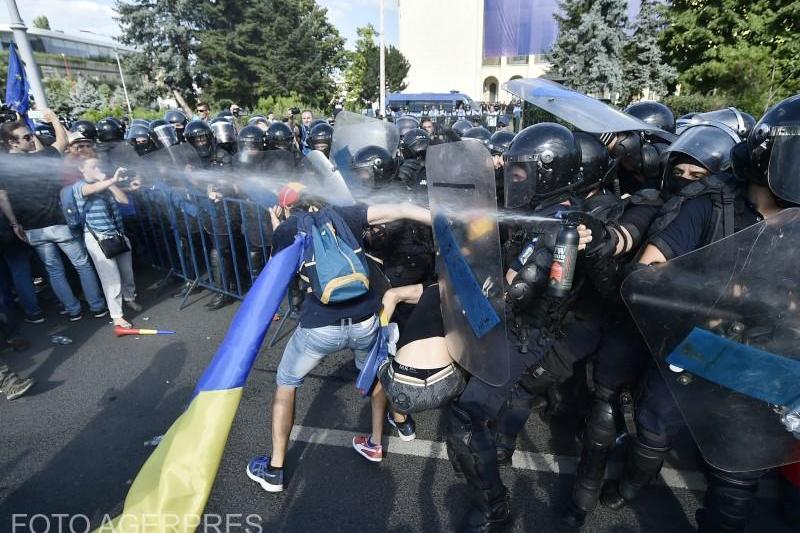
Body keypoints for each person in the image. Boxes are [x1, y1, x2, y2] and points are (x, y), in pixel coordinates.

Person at [594, 95, 800, 533]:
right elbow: (648, 270)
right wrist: (718, 293)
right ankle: (631, 484)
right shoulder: (710, 203)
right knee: (653, 425)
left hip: (762, 355)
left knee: (738, 471)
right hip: (700, 341)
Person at [246, 184, 432, 492]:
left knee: (286, 384)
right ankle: (402, 423)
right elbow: (400, 209)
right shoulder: (346, 215)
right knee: (376, 372)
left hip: (320, 327)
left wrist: (278, 226)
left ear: (288, 208)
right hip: (364, 321)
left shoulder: (290, 229)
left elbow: (276, 272)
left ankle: (275, 470)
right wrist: (444, 219)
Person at [0, 121, 107, 321]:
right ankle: (97, 306)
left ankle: (73, 310)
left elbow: (3, 197)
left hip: (33, 228)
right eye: (26, 137)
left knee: (54, 271)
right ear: (11, 142)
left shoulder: (4, 167)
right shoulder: (41, 158)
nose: (32, 139)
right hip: (58, 224)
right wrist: (51, 116)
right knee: (81, 265)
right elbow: (62, 140)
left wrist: (15, 224)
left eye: (32, 135)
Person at [73, 158, 142, 328]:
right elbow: (91, 189)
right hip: (98, 238)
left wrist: (111, 182)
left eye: (99, 166)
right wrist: (107, 179)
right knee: (111, 278)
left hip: (118, 235)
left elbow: (124, 200)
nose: (98, 169)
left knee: (127, 272)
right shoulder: (79, 186)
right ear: (81, 169)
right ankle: (117, 315)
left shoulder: (106, 185)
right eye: (93, 167)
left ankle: (129, 298)